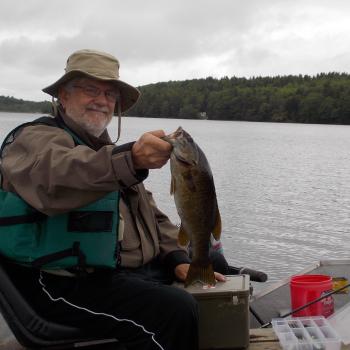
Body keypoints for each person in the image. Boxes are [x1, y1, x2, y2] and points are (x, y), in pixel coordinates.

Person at [0, 49, 227, 350]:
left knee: (218, 272)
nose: (102, 100)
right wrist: (130, 159)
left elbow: (151, 216)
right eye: (90, 89)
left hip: (112, 274)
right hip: (58, 282)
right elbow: (58, 176)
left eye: (109, 93)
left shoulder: (105, 151)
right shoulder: (34, 140)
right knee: (175, 310)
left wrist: (177, 258)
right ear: (63, 97)